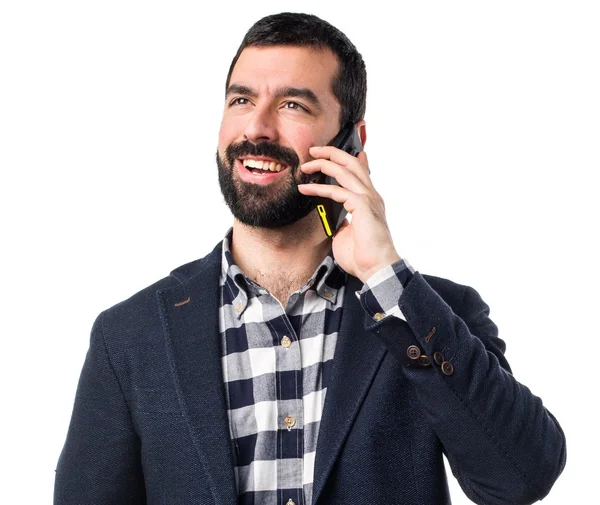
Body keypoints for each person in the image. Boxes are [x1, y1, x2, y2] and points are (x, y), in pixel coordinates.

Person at [54, 12, 566, 505]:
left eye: (293, 105)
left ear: (351, 140)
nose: (256, 128)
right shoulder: (131, 335)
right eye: (240, 100)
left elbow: (520, 478)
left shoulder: (431, 315)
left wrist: (385, 275)